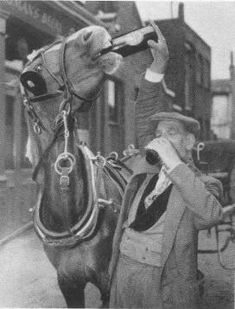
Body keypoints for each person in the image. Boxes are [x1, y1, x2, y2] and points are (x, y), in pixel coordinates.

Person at [108, 22, 223, 309]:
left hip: (162, 288)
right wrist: (159, 63)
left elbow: (210, 214)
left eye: (171, 132)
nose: (161, 139)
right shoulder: (149, 168)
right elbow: (145, 109)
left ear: (188, 142)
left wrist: (173, 163)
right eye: (158, 135)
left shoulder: (204, 186)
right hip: (124, 274)